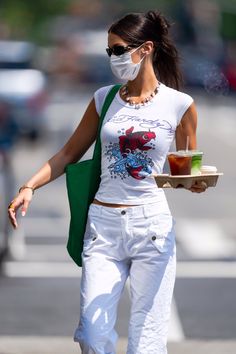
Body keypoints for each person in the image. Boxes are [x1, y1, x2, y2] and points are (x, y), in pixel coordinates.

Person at [8, 10, 207, 354]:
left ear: (145, 49)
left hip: (152, 229)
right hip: (103, 228)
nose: (112, 58)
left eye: (117, 50)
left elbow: (187, 167)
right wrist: (29, 186)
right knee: (92, 335)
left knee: (147, 340)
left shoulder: (180, 105)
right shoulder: (104, 99)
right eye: (108, 51)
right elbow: (68, 153)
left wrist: (195, 182)